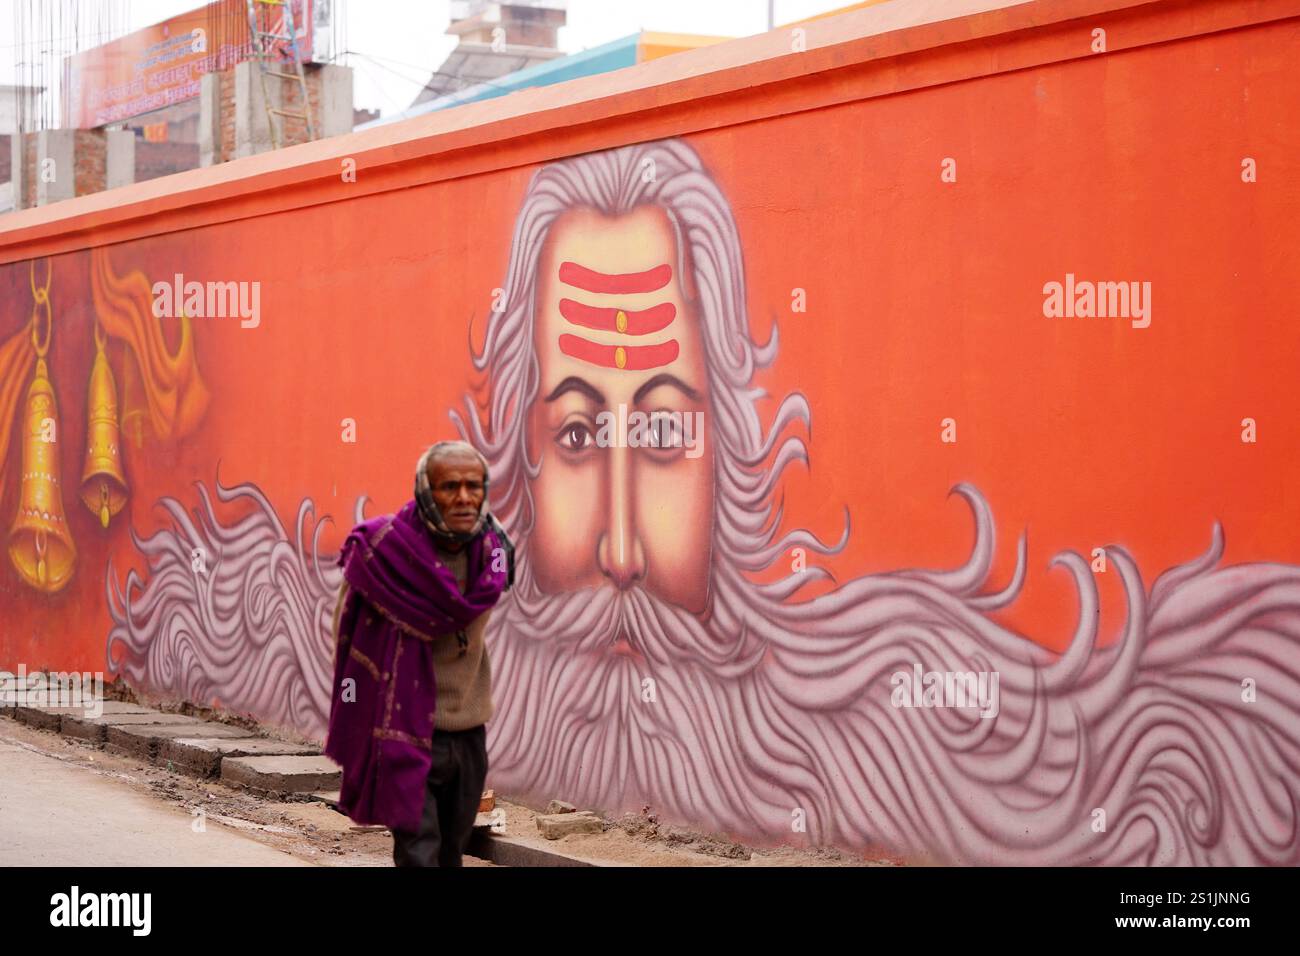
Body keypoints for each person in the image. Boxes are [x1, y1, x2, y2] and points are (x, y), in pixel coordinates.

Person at [324, 440, 514, 867]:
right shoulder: (384, 553)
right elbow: (348, 633)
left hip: (468, 733)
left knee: (450, 853)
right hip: (405, 730)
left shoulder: (492, 554)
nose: (464, 497)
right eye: (449, 487)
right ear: (426, 491)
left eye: (473, 485)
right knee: (418, 855)